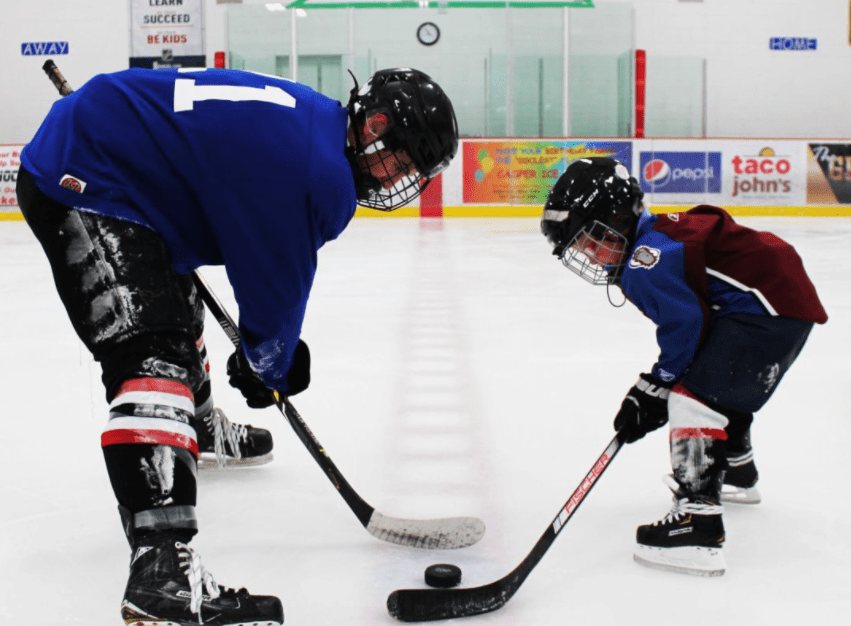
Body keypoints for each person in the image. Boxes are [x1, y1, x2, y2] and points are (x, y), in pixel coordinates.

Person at [17, 66, 458, 624]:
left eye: (412, 171)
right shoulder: (319, 172)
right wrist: (270, 363)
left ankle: (195, 428)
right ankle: (160, 573)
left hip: (119, 152)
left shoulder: (319, 124)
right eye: (399, 159)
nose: (398, 176)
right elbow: (272, 291)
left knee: (178, 308)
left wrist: (263, 356)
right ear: (372, 125)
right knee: (151, 351)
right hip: (86, 173)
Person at [540, 157, 827, 577]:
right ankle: (737, 469)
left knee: (693, 400)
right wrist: (655, 386)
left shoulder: (645, 257)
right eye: (581, 248)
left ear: (619, 218)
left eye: (592, 239)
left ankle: (697, 523)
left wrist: (658, 387)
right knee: (715, 383)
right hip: (778, 306)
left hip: (767, 312)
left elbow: (685, 325)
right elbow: (696, 325)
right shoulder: (655, 239)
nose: (591, 254)